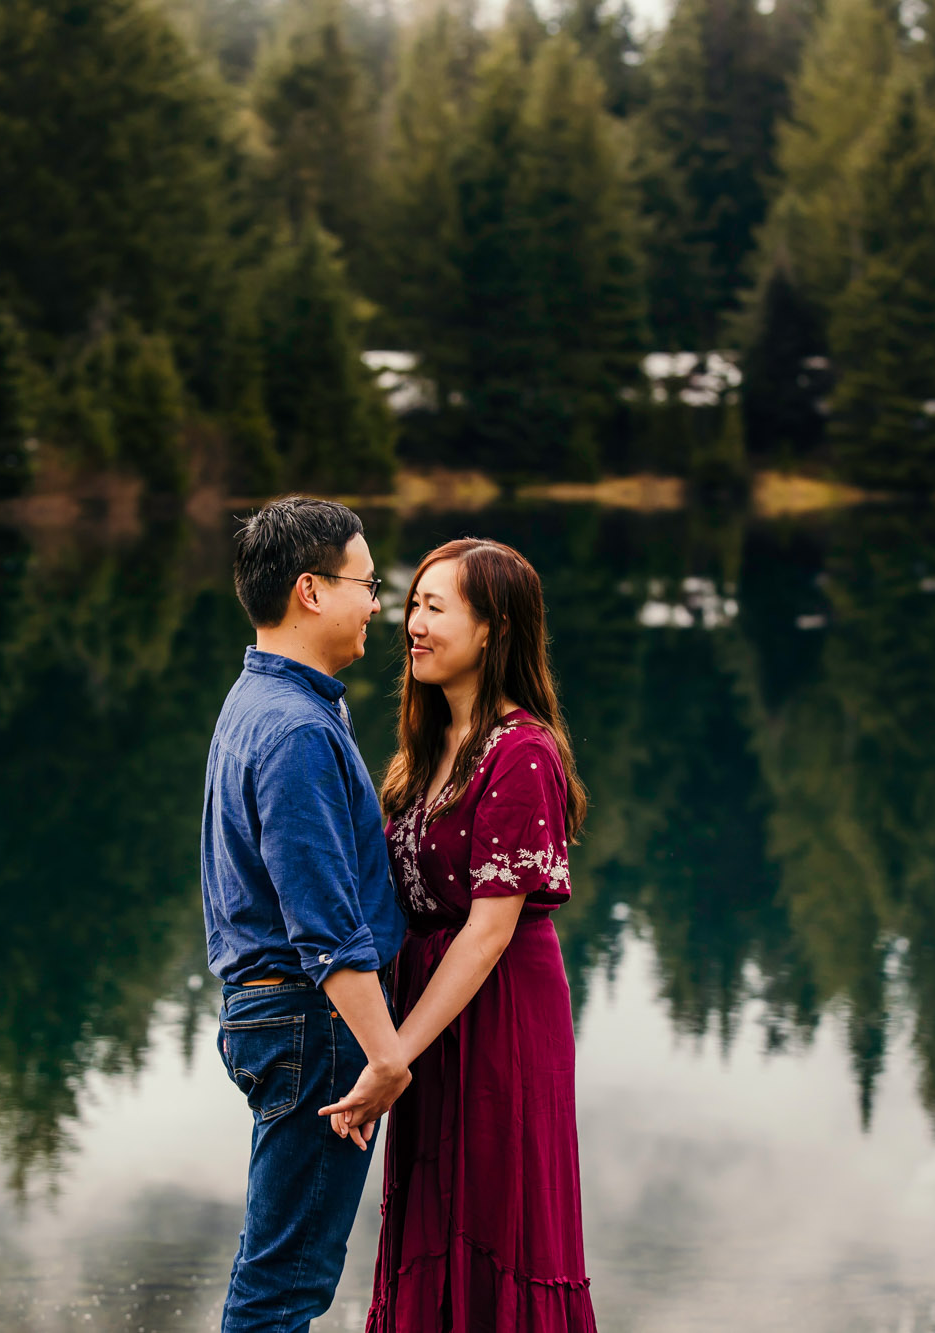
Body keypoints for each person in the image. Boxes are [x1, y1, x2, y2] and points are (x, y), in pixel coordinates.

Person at [328, 537, 597, 1332]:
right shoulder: (424, 750)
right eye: (412, 602)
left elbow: (487, 933)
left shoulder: (523, 754)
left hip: (499, 1016)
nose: (412, 622)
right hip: (428, 1013)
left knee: (493, 1216)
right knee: (431, 1208)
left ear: (493, 630)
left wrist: (392, 1057)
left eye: (434, 607)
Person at [201, 496, 413, 1333]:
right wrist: (385, 1055)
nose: (378, 602)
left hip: (277, 1016)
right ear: (311, 591)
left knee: (278, 1268)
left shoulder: (265, 700)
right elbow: (324, 928)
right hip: (311, 1023)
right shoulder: (294, 729)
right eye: (367, 583)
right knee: (285, 1287)